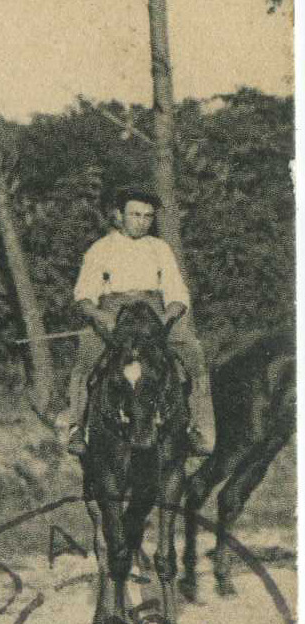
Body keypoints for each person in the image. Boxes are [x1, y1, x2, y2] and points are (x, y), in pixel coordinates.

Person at [60, 183, 215, 457]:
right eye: (135, 215)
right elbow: (84, 296)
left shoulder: (160, 248)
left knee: (193, 353)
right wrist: (100, 315)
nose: (142, 222)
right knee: (86, 361)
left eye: (147, 217)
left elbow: (177, 292)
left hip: (154, 309)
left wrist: (169, 314)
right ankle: (77, 429)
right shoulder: (100, 249)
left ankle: (199, 428)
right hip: (113, 308)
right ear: (118, 215)